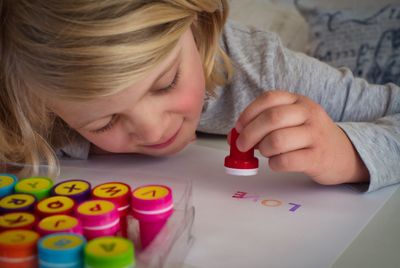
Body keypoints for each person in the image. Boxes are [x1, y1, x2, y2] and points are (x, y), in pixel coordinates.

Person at [1, 0, 399, 192]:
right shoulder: (21, 102)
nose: (154, 128)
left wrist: (347, 154)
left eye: (167, 83)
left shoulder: (260, 70)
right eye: (104, 121)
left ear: (197, 22)